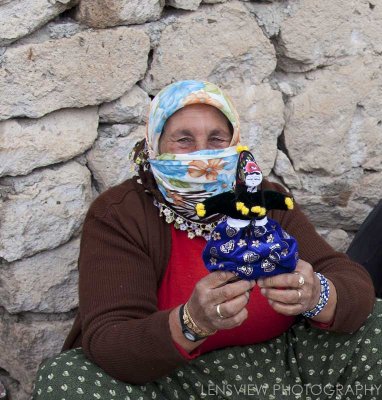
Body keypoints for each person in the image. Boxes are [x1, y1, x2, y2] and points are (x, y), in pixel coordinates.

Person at [32, 80, 381, 400]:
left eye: (216, 139)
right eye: (184, 140)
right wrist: (190, 322)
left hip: (284, 367)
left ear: (235, 143)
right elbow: (109, 340)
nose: (202, 154)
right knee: (64, 379)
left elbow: (351, 281)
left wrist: (317, 294)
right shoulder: (119, 215)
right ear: (154, 146)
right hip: (172, 382)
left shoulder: (262, 199)